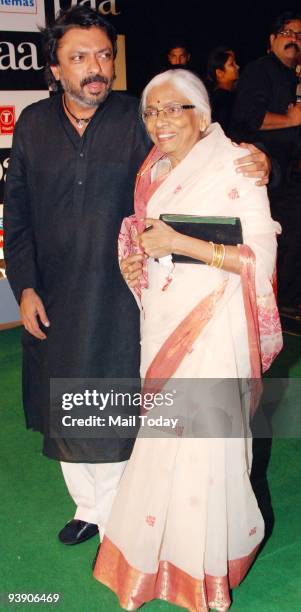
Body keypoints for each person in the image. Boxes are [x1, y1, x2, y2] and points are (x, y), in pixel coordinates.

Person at [3, 5, 271, 549]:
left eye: (104, 54)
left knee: (123, 404)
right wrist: (24, 285)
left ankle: (124, 509)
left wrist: (258, 158)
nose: (95, 67)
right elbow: (18, 209)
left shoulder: (139, 116)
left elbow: (206, 150)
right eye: (79, 57)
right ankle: (89, 508)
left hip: (127, 292)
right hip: (54, 291)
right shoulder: (32, 123)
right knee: (68, 404)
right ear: (53, 68)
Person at [93, 69, 282, 610]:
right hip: (163, 322)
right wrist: (138, 254)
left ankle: (205, 576)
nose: (160, 121)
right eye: (152, 111)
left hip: (216, 326)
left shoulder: (238, 166)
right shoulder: (153, 169)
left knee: (205, 449)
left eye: (173, 109)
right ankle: (152, 564)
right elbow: (140, 228)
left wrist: (183, 242)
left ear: (201, 115)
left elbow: (259, 259)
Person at [230, 11, 301, 312]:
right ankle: (283, 306)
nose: (294, 40)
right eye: (287, 33)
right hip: (267, 176)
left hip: (290, 174)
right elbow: (249, 118)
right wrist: (289, 118)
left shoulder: (294, 75)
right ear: (272, 39)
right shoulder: (261, 70)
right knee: (286, 237)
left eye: (299, 35)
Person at [207, 46, 239, 135]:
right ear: (219, 73)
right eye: (232, 64)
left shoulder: (230, 95)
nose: (237, 67)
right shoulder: (221, 100)